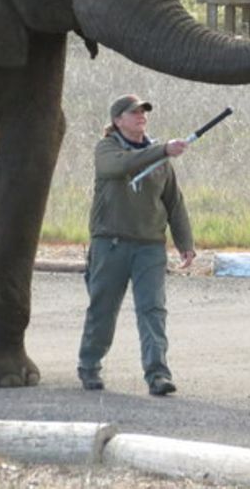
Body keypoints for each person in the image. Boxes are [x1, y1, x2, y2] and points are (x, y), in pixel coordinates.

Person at [77, 94, 196, 397]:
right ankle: (89, 365)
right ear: (118, 120)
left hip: (150, 247)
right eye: (133, 112)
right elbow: (117, 167)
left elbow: (173, 202)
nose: (141, 115)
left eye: (143, 111)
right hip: (111, 244)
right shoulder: (107, 148)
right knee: (103, 308)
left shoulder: (161, 157)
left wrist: (185, 242)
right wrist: (162, 150)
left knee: (152, 310)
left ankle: (157, 374)